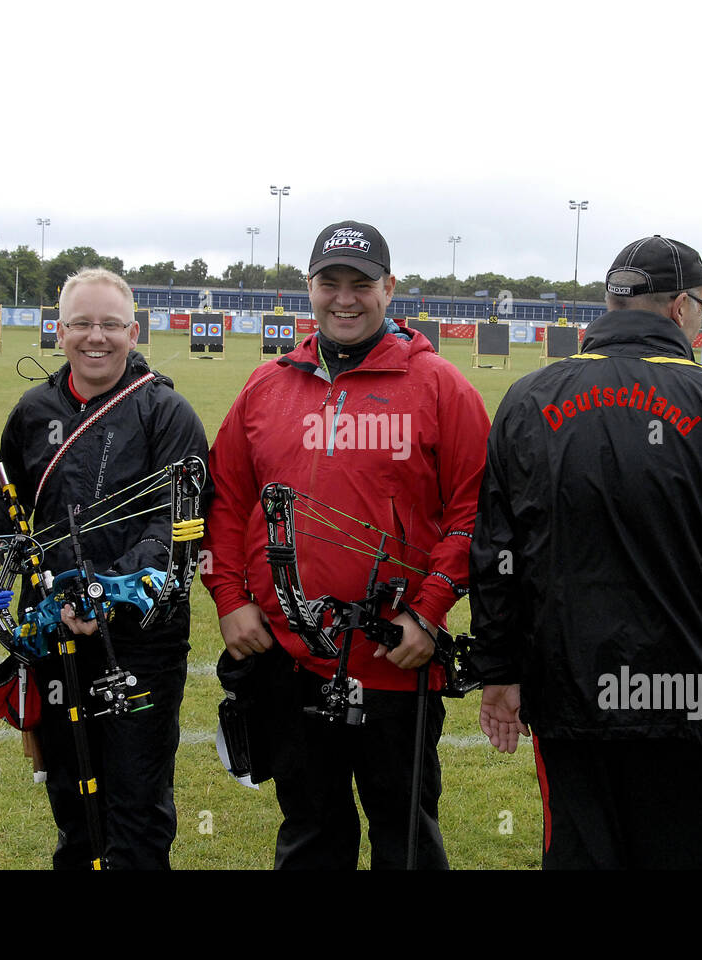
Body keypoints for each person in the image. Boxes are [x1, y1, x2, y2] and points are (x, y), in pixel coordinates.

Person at [470, 235, 702, 869]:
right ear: (681, 308)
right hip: (681, 699)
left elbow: (496, 557)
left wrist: (499, 669)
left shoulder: (530, 399)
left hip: (569, 694)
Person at [203, 220, 490, 869]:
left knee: (405, 838)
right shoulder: (265, 387)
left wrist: (429, 611)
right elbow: (224, 500)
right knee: (310, 833)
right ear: (309, 287)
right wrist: (229, 597)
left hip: (396, 659)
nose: (344, 298)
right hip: (290, 660)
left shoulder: (441, 386)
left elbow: (475, 511)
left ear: (389, 288)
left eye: (360, 284)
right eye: (329, 282)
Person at [0, 267, 208, 870]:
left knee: (136, 807)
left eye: (109, 324)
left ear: (133, 331)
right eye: (80, 323)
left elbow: (177, 526)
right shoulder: (33, 408)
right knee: (72, 802)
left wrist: (99, 593)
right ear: (59, 330)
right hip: (52, 634)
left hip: (140, 641)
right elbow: (5, 494)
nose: (94, 337)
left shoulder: (167, 412)